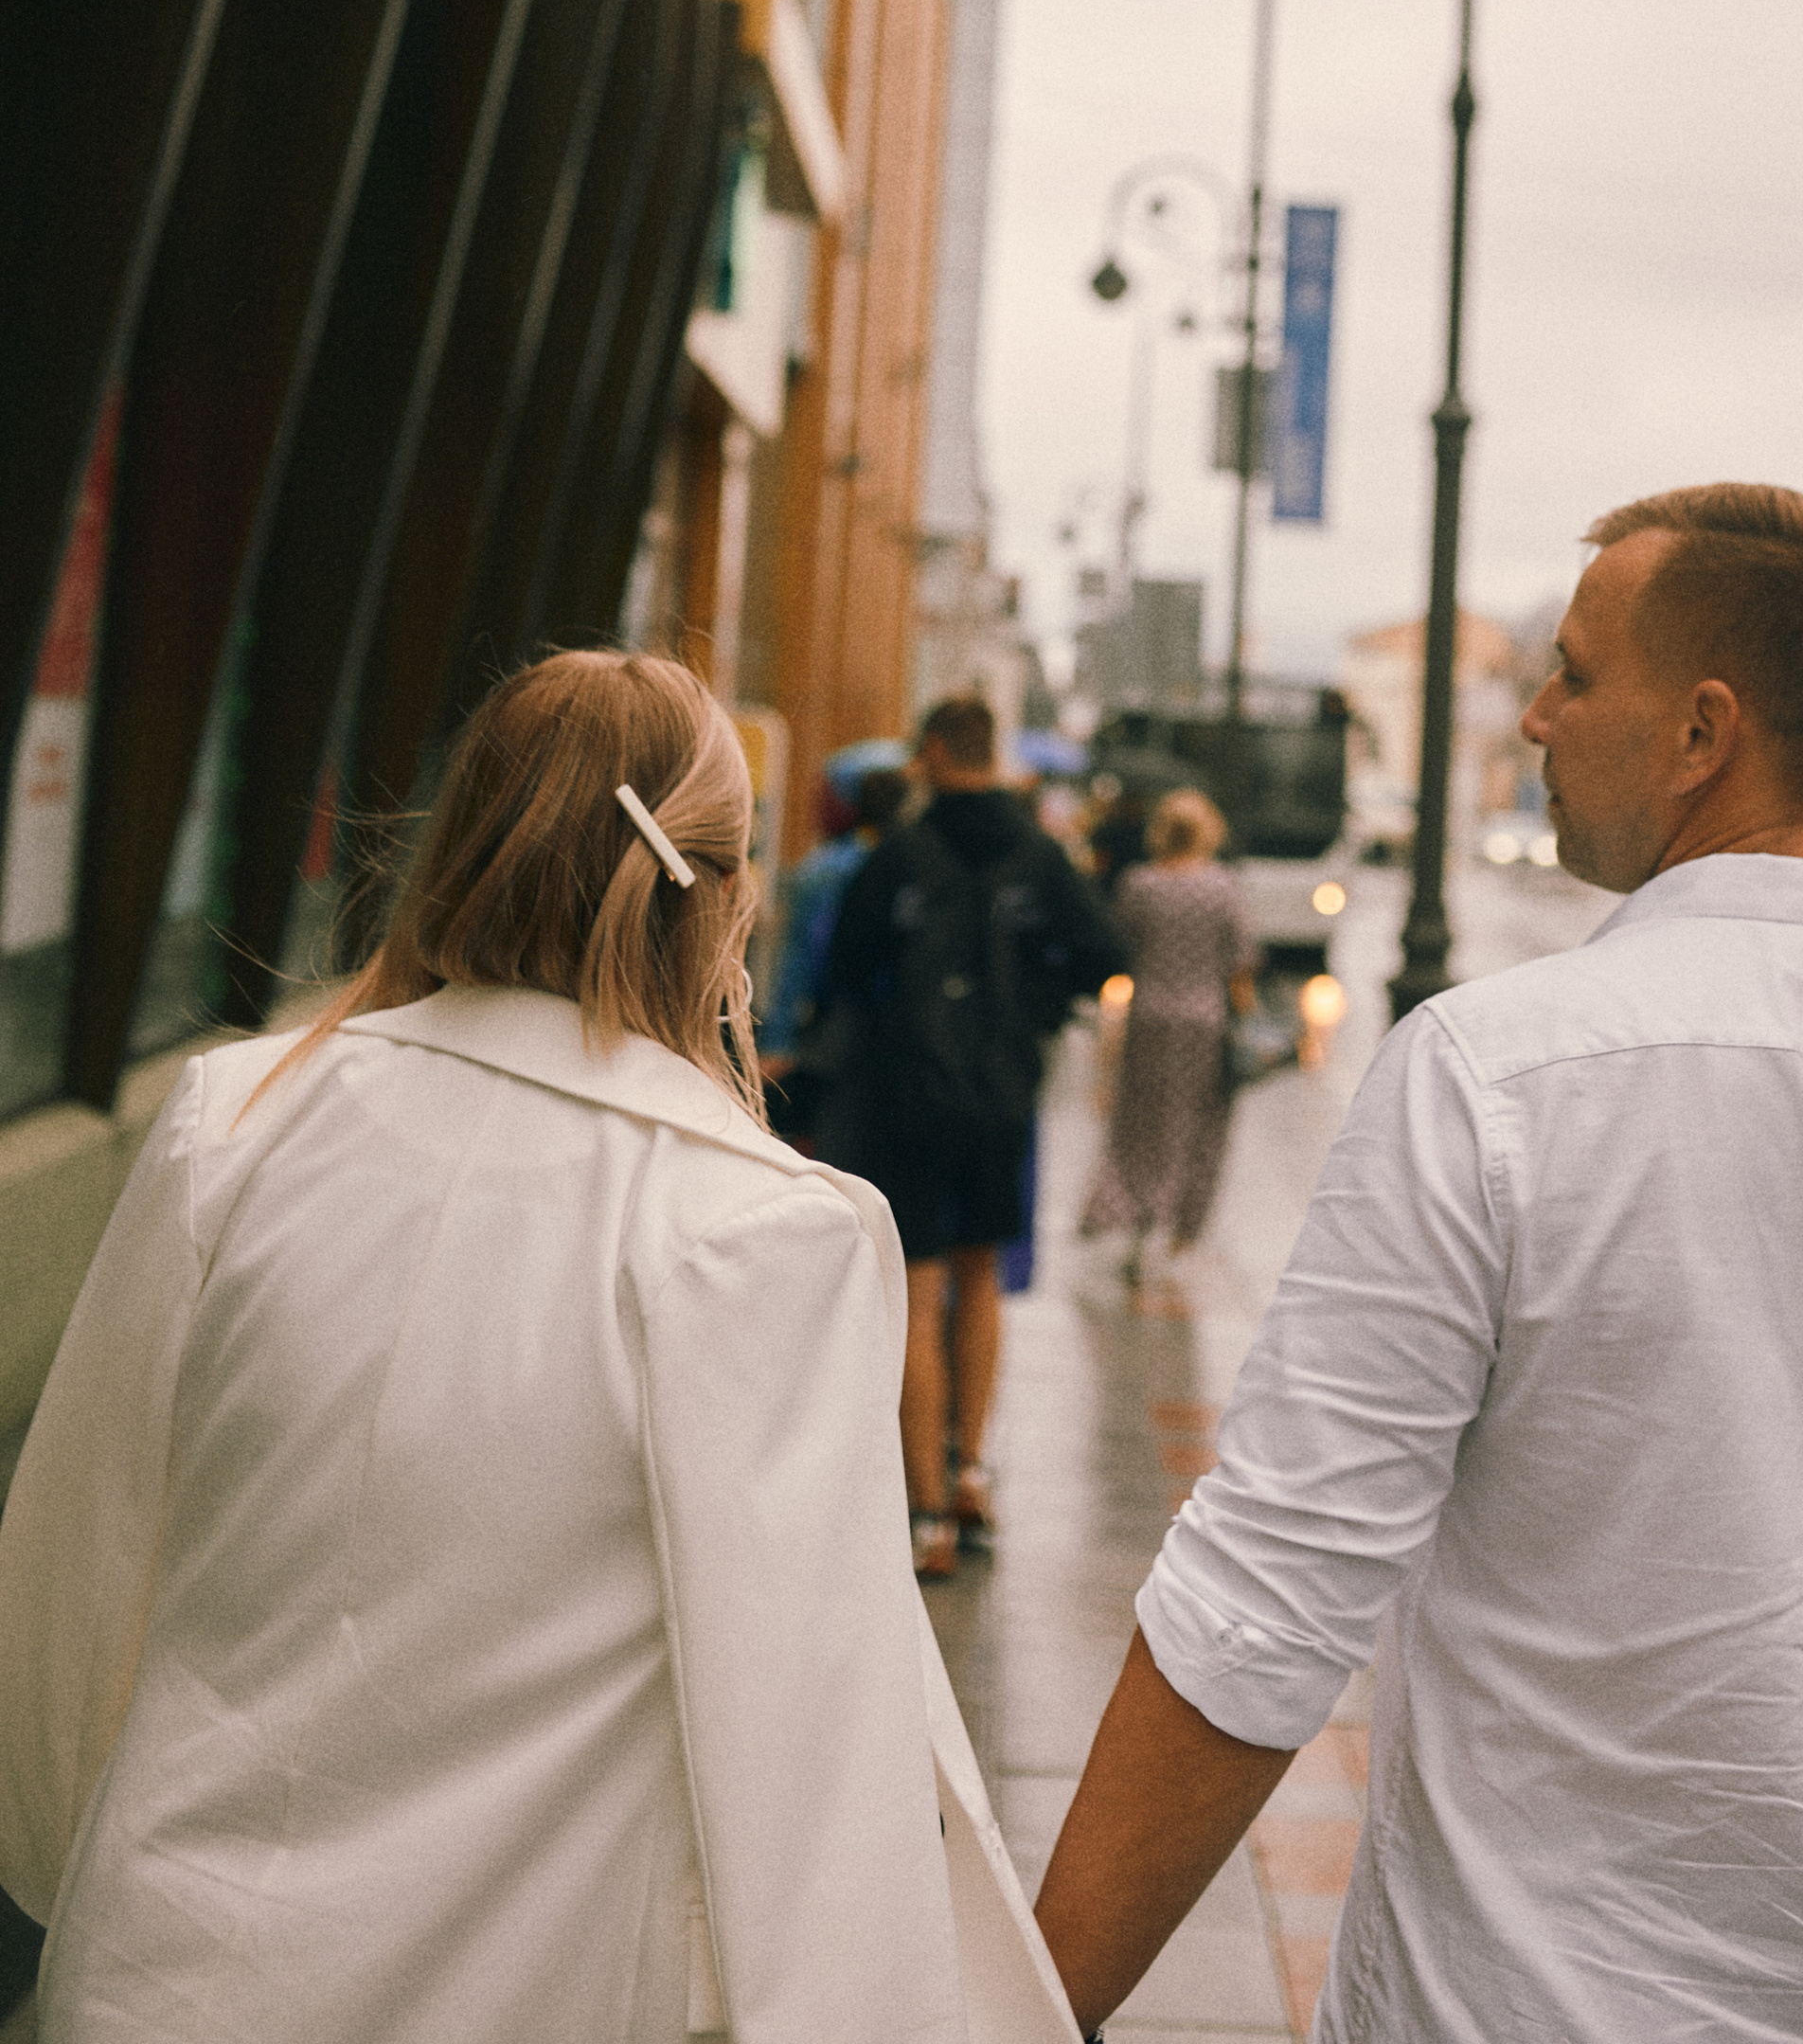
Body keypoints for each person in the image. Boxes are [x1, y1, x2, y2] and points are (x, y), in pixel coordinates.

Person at [1032, 485, 1803, 2044]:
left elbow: (1265, 1606)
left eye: (1577, 674)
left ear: (1702, 732)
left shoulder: (1490, 1078)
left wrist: (1016, 2008)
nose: (1533, 715)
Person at [0, 650, 1076, 2044]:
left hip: (164, 1972)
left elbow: (75, 1576)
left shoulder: (233, 1121)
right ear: (718, 899)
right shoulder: (750, 1233)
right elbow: (814, 1788)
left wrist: (64, 1862)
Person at [828, 693, 1118, 1580]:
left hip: (908, 1094)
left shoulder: (899, 855)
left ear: (933, 751)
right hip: (1000, 1094)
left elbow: (848, 972)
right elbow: (1104, 953)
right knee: (981, 1273)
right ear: (993, 752)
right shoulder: (1039, 853)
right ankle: (970, 1472)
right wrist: (1029, 1003)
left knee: (916, 1286)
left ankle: (922, 1515)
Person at [1079, 789, 1259, 1277]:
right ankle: (1178, 1229)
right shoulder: (1223, 887)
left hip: (1150, 1020)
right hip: (1205, 1024)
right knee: (1200, 1128)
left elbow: (1120, 949)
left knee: (1140, 1124)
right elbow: (1240, 965)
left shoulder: (1140, 885)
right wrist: (1252, 1021)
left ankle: (1132, 1216)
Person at [759, 753, 910, 1156]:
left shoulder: (822, 870)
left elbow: (796, 964)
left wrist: (777, 1043)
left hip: (830, 1033)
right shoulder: (916, 864)